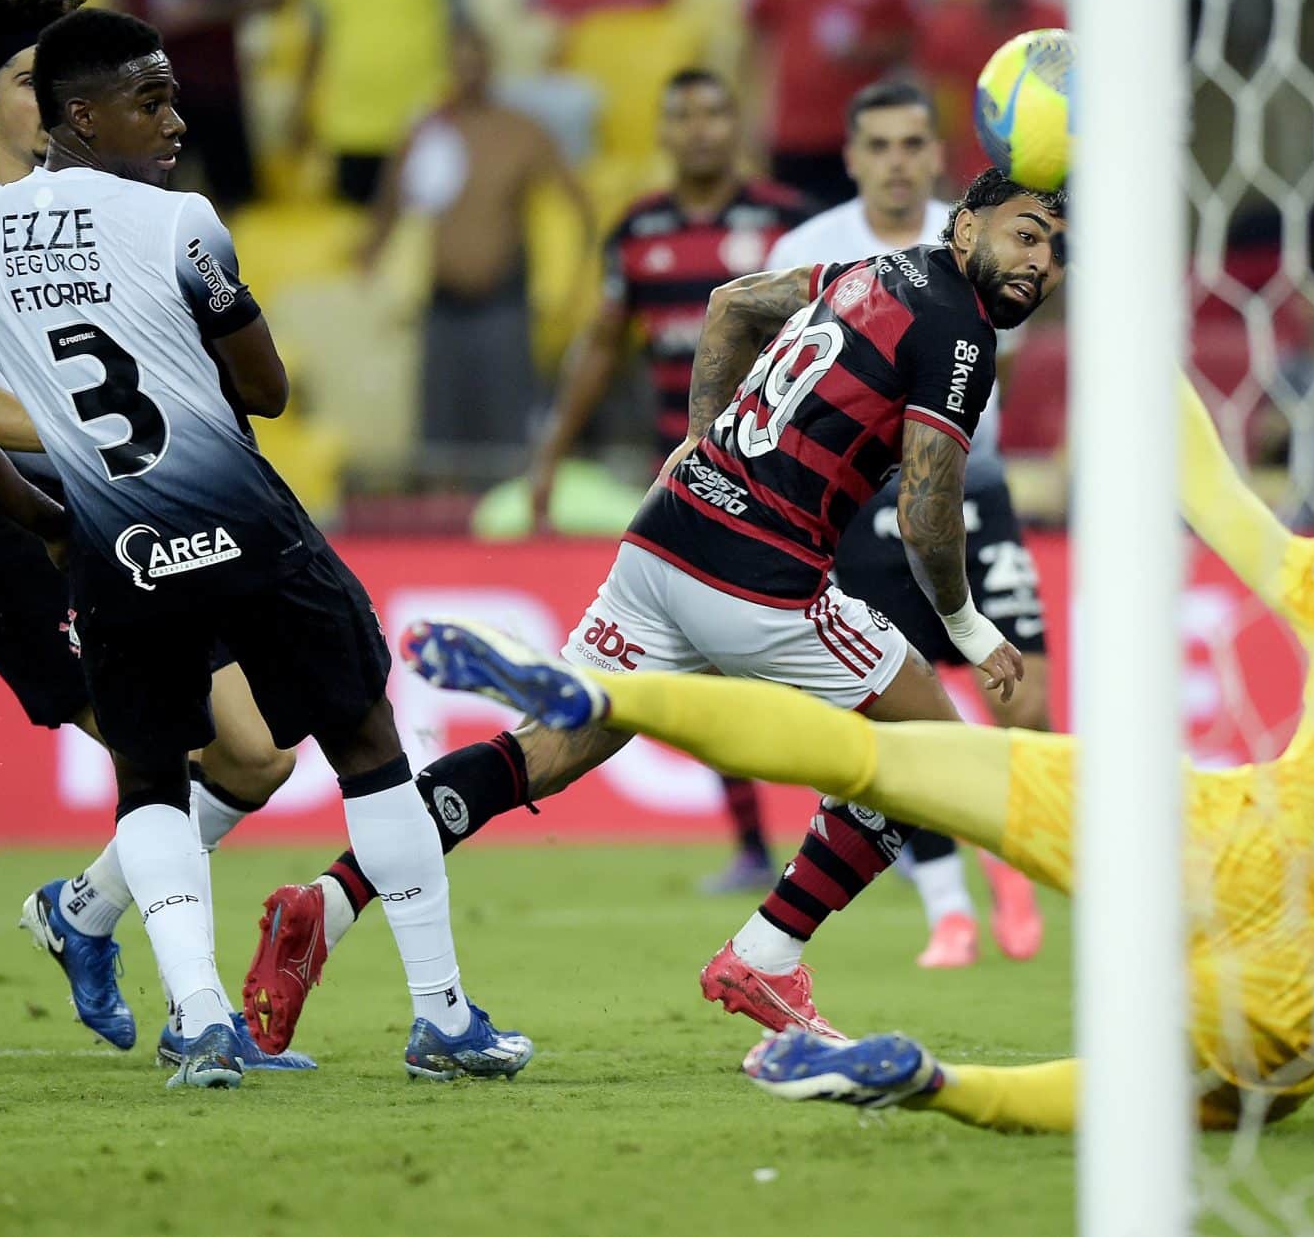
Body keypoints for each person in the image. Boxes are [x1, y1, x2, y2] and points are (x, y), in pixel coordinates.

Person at [404, 372, 1314, 1131]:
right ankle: (926, 1076)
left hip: (1188, 825)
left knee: (875, 757)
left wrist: (1143, 345)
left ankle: (602, 693)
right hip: (1295, 960)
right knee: (1204, 1099)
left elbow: (1211, 489)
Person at [244, 169, 1065, 1051]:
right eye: (1024, 234)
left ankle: (324, 905)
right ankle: (767, 954)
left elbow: (730, 304)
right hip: (763, 579)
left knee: (546, 751)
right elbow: (926, 510)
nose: (1041, 263)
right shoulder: (960, 330)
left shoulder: (870, 270)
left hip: (667, 538)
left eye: (1055, 250)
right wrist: (970, 626)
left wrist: (697, 442)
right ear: (967, 226)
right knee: (931, 753)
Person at [0, 7, 529, 1088]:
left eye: (170, 93)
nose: (173, 114)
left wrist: (54, 524)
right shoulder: (180, 221)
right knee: (367, 742)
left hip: (115, 547)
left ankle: (199, 1019)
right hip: (249, 533)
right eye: (148, 98)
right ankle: (441, 1015)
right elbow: (268, 390)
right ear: (80, 115)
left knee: (152, 778)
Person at [0, 0, 305, 1068]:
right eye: (27, 82)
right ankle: (198, 1014)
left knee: (260, 761)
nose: (47, 103)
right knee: (162, 763)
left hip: (139, 513)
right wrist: (109, 440)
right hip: (21, 530)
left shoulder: (119, 210)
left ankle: (81, 911)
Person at [767, 80, 1044, 968]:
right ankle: (948, 905)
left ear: (936, 154)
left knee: (1024, 699)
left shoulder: (990, 234)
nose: (896, 159)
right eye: (878, 144)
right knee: (897, 717)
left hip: (977, 491)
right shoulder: (810, 248)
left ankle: (1013, 857)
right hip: (858, 506)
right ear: (851, 157)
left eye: (912, 142)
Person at [528, 68, 811, 894]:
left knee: (815, 649)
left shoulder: (786, 224)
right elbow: (601, 347)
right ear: (662, 129)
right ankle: (755, 845)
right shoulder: (637, 229)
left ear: (736, 124)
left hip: (789, 471)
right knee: (705, 664)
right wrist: (550, 453)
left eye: (714, 110)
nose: (698, 128)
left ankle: (873, 826)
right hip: (689, 480)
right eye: (681, 113)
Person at [359, 22, 593, 483]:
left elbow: (577, 208)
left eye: (476, 59)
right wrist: (367, 263)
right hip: (441, 309)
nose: (467, 70)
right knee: (441, 444)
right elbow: (386, 208)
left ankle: (509, 539)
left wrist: (577, 277)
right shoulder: (425, 133)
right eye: (457, 60)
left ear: (491, 64)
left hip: (503, 306)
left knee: (506, 441)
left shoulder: (521, 132)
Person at [109, 0, 285, 210]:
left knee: (233, 204)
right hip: (149, 89)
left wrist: (206, 9)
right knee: (146, 203)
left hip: (217, 84)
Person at [747, 0, 920, 207]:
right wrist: (754, 120)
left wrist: (868, 50)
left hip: (858, 133)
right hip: (792, 134)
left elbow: (908, 40)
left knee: (855, 247)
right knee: (794, 239)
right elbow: (756, 43)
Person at [288, 0, 448, 205]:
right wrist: (301, 105)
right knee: (356, 228)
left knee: (415, 225)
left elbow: (459, 31)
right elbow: (318, 38)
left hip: (417, 122)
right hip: (351, 124)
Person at [915, 0, 1065, 191]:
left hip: (1040, 165)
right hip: (969, 166)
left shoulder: (1050, 22)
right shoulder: (951, 24)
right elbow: (928, 96)